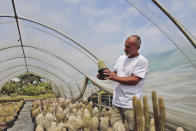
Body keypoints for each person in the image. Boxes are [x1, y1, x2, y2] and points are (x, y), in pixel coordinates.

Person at [97, 35, 148, 131]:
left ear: (138, 47)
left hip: (131, 105)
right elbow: (115, 73)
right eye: (125, 46)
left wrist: (114, 77)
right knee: (116, 128)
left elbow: (134, 80)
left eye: (128, 47)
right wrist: (104, 76)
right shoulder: (121, 58)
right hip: (117, 102)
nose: (125, 49)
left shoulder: (142, 61)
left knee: (133, 129)